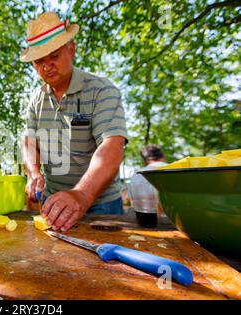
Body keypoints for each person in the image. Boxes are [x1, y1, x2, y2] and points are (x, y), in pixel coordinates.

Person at [20, 12, 129, 232]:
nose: (47, 66)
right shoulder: (36, 100)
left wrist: (81, 195)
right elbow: (29, 142)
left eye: (54, 56)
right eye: (40, 60)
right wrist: (33, 172)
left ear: (71, 50)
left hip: (101, 205)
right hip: (53, 205)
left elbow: (112, 146)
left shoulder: (101, 90)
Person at [128, 145, 168, 227]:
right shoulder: (175, 169)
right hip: (176, 225)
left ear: (144, 160)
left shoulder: (136, 175)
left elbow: (131, 202)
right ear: (163, 156)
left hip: (145, 223)